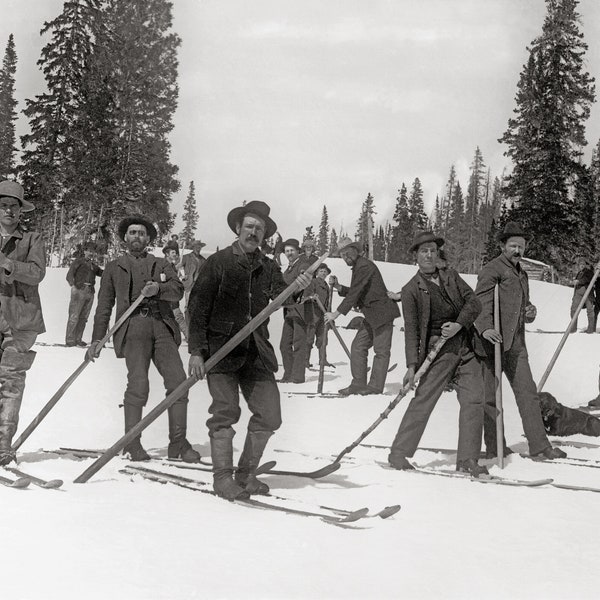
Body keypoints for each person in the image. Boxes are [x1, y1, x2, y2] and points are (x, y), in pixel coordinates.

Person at [187, 201, 311, 500]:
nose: (254, 232)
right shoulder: (218, 263)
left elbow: (281, 299)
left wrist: (297, 287)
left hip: (256, 351)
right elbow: (197, 308)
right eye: (249, 227)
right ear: (238, 229)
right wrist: (195, 351)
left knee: (270, 414)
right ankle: (222, 479)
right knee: (225, 412)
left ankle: (244, 475)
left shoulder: (268, 267)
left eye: (259, 229)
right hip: (221, 350)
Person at [86, 214, 200, 463]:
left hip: (161, 327)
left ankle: (178, 443)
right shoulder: (115, 268)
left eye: (141, 233)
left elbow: (178, 290)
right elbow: (104, 306)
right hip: (132, 330)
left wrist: (158, 289)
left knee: (179, 383)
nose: (136, 236)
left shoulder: (161, 264)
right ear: (125, 238)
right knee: (138, 385)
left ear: (148, 238)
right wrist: (97, 340)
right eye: (132, 233)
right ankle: (132, 443)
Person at [387, 231, 487, 476]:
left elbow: (473, 303)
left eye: (432, 250)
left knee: (474, 399)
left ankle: (467, 460)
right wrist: (412, 365)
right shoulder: (410, 289)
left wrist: (459, 325)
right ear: (416, 257)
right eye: (424, 251)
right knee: (424, 400)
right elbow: (411, 330)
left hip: (466, 344)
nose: (429, 255)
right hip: (437, 351)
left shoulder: (450, 276)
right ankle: (398, 454)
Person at [474, 221, 566, 460]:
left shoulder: (522, 273)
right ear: (502, 245)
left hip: (515, 346)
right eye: (513, 245)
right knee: (490, 399)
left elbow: (524, 307)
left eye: (522, 247)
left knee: (528, 394)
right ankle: (495, 447)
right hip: (490, 345)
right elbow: (479, 305)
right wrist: (485, 329)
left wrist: (530, 311)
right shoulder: (491, 270)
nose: (518, 251)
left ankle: (540, 446)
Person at [0, 180, 46, 466]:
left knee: (11, 382)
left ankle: (3, 445)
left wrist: (9, 265)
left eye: (14, 206)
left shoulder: (32, 239)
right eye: (4, 205)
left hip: (21, 320)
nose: (8, 211)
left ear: (21, 211)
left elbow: (38, 272)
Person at [325, 237, 399, 395]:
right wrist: (338, 287)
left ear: (355, 251)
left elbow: (355, 293)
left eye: (347, 253)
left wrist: (335, 314)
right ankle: (358, 384)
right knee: (358, 346)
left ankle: (374, 387)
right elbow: (357, 291)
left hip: (382, 313)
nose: (345, 257)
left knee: (381, 351)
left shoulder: (364, 266)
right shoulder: (359, 267)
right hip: (371, 315)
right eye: (342, 255)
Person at [279, 238, 310, 383]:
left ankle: (297, 376)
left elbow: (306, 271)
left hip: (300, 310)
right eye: (287, 251)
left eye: (292, 250)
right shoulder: (287, 269)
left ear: (298, 251)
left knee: (298, 343)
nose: (289, 253)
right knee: (284, 344)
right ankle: (288, 374)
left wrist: (304, 273)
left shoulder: (302, 264)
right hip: (288, 311)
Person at [65, 241, 103, 347]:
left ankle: (78, 339)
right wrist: (74, 287)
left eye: (92, 252)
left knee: (83, 317)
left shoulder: (94, 266)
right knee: (74, 316)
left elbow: (102, 273)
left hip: (90, 291)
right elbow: (69, 275)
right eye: (88, 251)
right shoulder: (78, 262)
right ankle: (70, 340)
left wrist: (110, 270)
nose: (90, 253)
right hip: (79, 291)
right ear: (85, 251)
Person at [304, 263, 333, 368]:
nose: (323, 273)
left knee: (323, 338)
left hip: (323, 315)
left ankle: (323, 360)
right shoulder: (313, 282)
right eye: (321, 271)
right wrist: (312, 297)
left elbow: (328, 303)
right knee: (309, 338)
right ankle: (305, 361)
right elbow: (307, 295)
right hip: (313, 314)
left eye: (325, 271)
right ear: (317, 273)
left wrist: (331, 316)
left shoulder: (327, 286)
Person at [162, 240, 188, 341]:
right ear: (167, 253)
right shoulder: (162, 265)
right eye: (173, 252)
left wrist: (180, 277)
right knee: (176, 317)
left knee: (178, 317)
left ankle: (187, 338)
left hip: (173, 296)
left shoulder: (173, 266)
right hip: (166, 296)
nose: (175, 254)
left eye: (176, 253)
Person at [570, 258, 595, 333]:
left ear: (585, 265)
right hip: (578, 293)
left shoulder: (589, 272)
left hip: (587, 293)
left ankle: (590, 329)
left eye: (583, 264)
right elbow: (577, 283)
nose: (582, 266)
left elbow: (587, 279)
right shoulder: (579, 273)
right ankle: (573, 328)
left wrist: (578, 281)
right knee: (574, 309)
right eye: (581, 264)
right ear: (578, 265)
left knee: (590, 310)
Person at [180, 239, 207, 305]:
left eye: (199, 247)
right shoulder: (186, 257)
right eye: (197, 247)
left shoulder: (203, 260)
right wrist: (183, 274)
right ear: (193, 248)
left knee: (197, 305)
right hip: (189, 284)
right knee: (188, 304)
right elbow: (180, 266)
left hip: (198, 285)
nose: (198, 249)